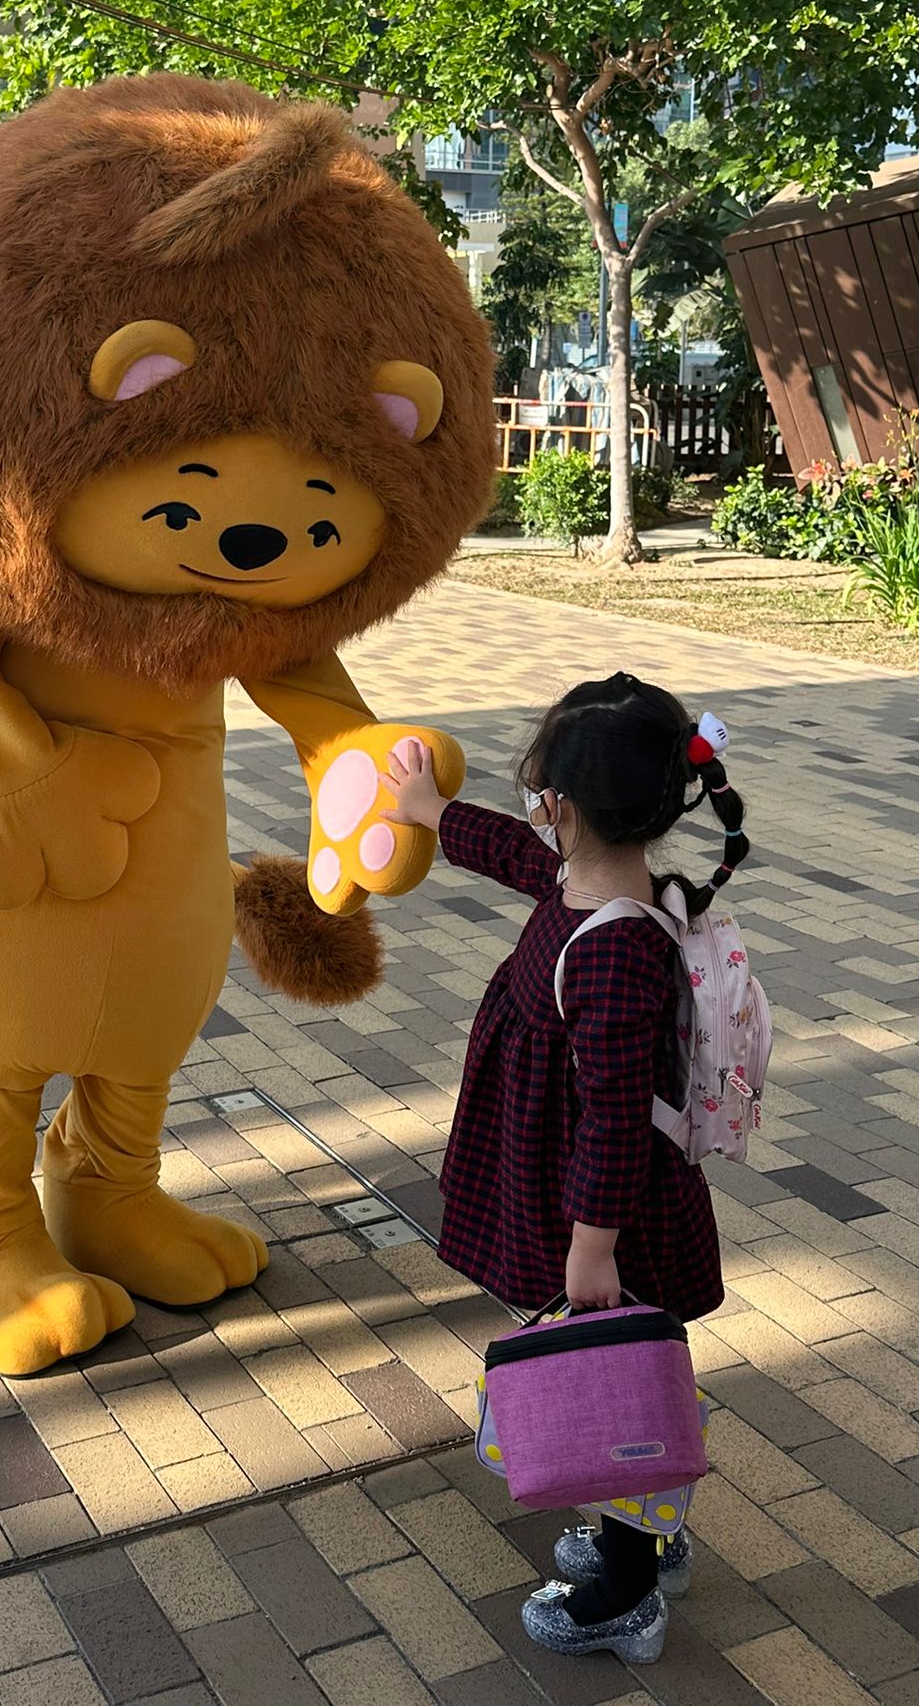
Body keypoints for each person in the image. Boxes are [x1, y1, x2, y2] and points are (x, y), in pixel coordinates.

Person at [381, 674, 747, 1664]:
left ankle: (628, 1588)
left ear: (565, 805)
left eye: (536, 791)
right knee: (628, 1368)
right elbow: (515, 853)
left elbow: (618, 1122)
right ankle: (648, 1535)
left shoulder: (614, 949)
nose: (531, 812)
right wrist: (434, 812)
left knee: (618, 1378)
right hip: (582, 1193)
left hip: (602, 1209)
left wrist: (592, 1248)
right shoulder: (600, 880)